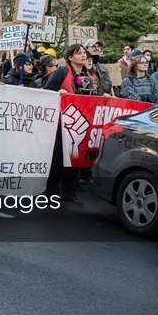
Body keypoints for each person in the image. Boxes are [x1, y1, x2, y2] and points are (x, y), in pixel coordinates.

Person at [43, 44, 98, 205]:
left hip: (79, 124)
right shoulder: (62, 72)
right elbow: (46, 91)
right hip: (61, 123)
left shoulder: (88, 75)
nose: (83, 55)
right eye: (79, 53)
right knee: (58, 159)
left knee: (74, 159)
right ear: (70, 57)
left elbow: (92, 97)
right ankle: (51, 193)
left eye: (84, 53)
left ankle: (68, 192)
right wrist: (57, 94)